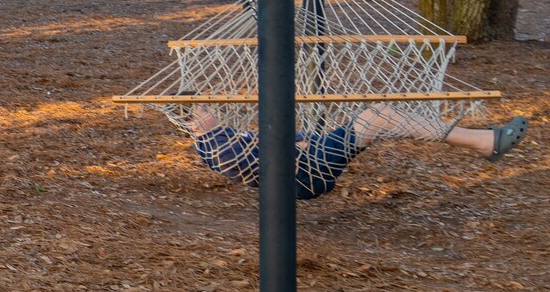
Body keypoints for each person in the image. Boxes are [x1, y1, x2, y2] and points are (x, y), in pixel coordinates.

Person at [188, 105, 527, 201]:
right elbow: (264, 162)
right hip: (307, 171)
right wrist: (294, 144)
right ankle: (486, 142)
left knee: (379, 117)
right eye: (202, 108)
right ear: (192, 121)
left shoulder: (221, 136)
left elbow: (277, 144)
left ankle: (486, 140)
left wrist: (294, 141)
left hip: (311, 157)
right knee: (378, 117)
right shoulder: (214, 144)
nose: (210, 109)